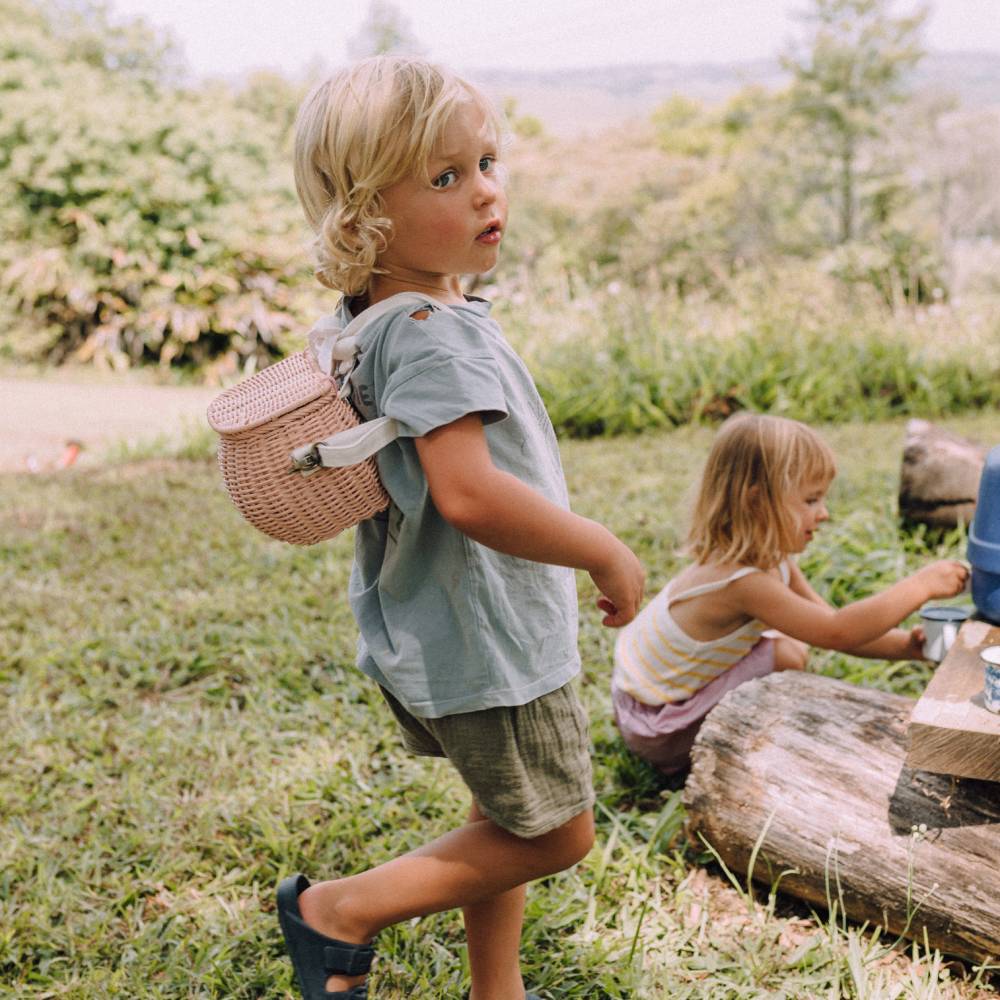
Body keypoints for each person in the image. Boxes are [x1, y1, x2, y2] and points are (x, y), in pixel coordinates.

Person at [275, 55, 645, 1000]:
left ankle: (498, 987)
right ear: (366, 218)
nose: (486, 190)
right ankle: (339, 912)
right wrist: (600, 545)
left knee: (504, 811)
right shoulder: (432, 334)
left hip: (445, 621)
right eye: (446, 177)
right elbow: (470, 495)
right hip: (489, 631)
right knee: (556, 832)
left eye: (488, 161)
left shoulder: (388, 316)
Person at [612, 412, 969, 776]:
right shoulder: (741, 583)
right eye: (811, 500)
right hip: (657, 727)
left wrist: (908, 646)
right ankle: (710, 754)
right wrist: (920, 586)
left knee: (789, 644)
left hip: (644, 700)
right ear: (756, 503)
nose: (824, 513)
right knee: (787, 654)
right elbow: (837, 630)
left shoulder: (770, 559)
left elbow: (833, 628)